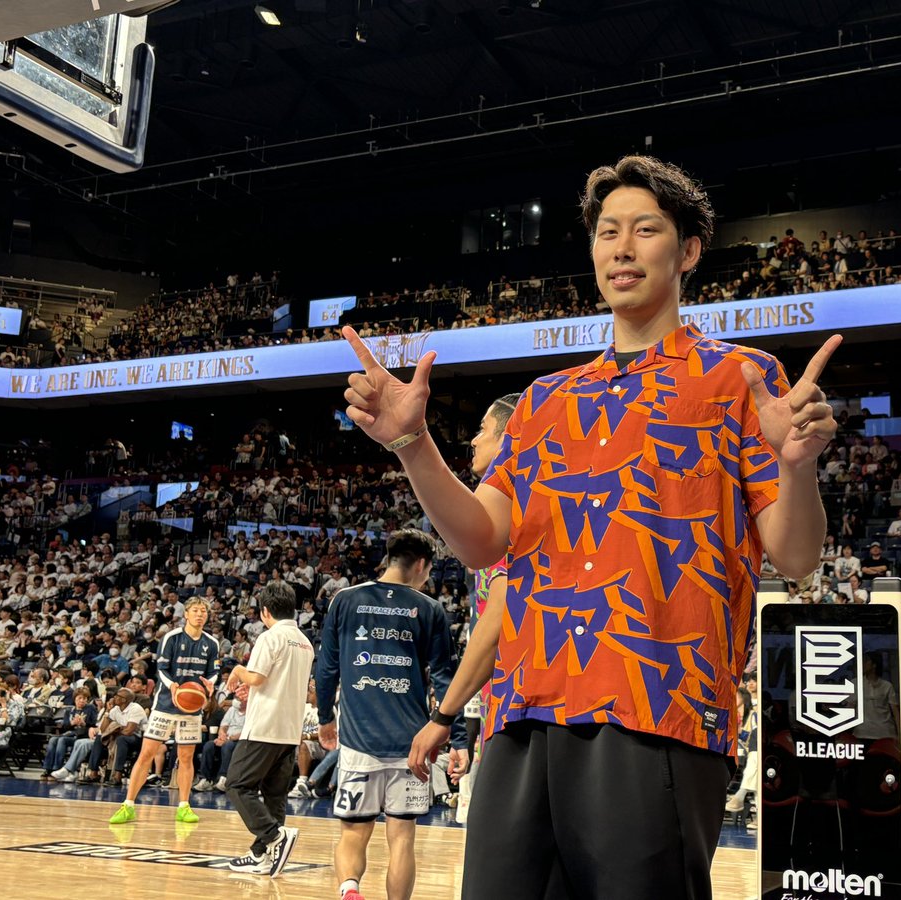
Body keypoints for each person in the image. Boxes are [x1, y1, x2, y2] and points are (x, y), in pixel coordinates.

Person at [340, 154, 840, 899]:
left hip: (657, 710)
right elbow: (481, 541)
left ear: (689, 250)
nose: (622, 248)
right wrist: (414, 445)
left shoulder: (740, 379)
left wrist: (796, 467)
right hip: (523, 712)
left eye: (645, 229)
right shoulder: (545, 400)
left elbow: (795, 557)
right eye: (608, 232)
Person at [316, 528, 467, 900]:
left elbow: (326, 668)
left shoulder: (344, 600)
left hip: (358, 741)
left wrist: (324, 718)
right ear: (421, 564)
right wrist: (459, 738)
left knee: (353, 833)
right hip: (411, 746)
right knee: (401, 839)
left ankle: (349, 889)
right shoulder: (430, 609)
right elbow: (447, 680)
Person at [407, 393, 520, 822]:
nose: (473, 440)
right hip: (504, 711)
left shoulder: (513, 511)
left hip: (517, 713)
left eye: (482, 430)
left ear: (509, 438)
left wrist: (443, 716)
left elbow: (499, 621)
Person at [223, 581, 315, 878]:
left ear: (264, 611)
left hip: (265, 726)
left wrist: (238, 670)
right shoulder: (305, 642)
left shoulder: (270, 636)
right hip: (290, 728)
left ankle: (275, 837)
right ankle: (261, 855)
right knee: (275, 795)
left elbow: (257, 678)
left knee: (237, 784)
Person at [109, 597, 219, 826]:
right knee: (147, 753)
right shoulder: (171, 637)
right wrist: (173, 687)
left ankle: (184, 806)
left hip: (192, 708)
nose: (200, 614)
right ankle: (128, 805)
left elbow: (212, 672)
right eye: (195, 610)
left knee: (186, 757)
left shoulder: (212, 643)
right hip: (166, 705)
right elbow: (161, 669)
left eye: (203, 611)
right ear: (186, 614)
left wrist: (211, 683)